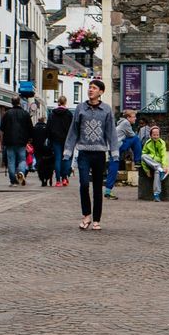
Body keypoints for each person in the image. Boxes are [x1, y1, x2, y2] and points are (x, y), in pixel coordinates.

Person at [68, 81, 116, 229]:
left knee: (97, 187)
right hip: (83, 152)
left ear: (101, 92)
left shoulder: (106, 110)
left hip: (100, 152)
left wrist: (114, 152)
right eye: (89, 87)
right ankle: (86, 215)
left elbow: (111, 132)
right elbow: (73, 130)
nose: (90, 90)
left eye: (94, 88)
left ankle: (96, 220)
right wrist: (68, 150)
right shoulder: (80, 108)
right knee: (83, 184)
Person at [0, 97, 35, 186]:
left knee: (11, 161)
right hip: (22, 141)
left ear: (12, 102)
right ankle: (21, 172)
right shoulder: (25, 114)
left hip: (9, 141)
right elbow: (30, 128)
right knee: (22, 159)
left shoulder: (6, 114)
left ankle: (13, 181)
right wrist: (30, 138)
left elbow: (2, 128)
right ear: (19, 102)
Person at [44, 96, 74, 187]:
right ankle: (64, 178)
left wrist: (49, 138)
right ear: (65, 102)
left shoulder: (52, 114)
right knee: (66, 158)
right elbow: (72, 128)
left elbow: (48, 127)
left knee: (57, 159)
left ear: (58, 102)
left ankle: (57, 180)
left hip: (55, 139)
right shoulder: (69, 114)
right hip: (66, 140)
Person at [139, 123, 169, 200]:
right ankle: (159, 168)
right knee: (143, 156)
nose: (156, 136)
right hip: (150, 162)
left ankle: (156, 194)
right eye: (154, 135)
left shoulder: (161, 143)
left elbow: (164, 155)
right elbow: (144, 155)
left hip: (159, 163)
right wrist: (146, 170)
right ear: (151, 135)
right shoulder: (148, 143)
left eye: (157, 135)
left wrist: (165, 166)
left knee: (157, 172)